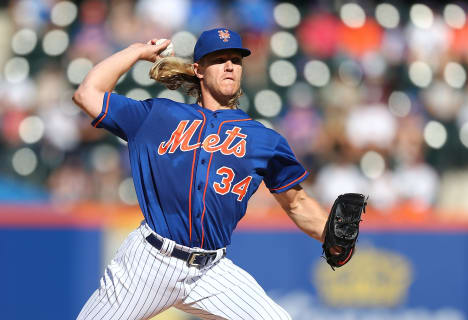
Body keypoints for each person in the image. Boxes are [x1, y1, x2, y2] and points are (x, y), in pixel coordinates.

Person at [73, 28, 331, 320]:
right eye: (219, 59)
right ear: (198, 69)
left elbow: (296, 202)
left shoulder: (264, 140)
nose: (230, 65)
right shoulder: (157, 116)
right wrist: (136, 51)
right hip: (150, 260)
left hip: (211, 270)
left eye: (236, 59)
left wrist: (331, 235)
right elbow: (87, 94)